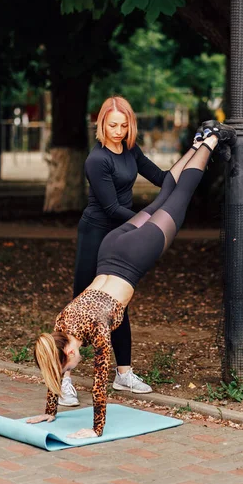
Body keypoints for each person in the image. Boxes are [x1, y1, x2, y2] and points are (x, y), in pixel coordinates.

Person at [27, 120, 237, 438]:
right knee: (164, 194)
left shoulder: (95, 331)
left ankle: (212, 140)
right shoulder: (60, 323)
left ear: (69, 352)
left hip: (134, 255)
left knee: (180, 197)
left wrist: (96, 430)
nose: (75, 365)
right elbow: (54, 362)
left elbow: (100, 385)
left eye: (71, 365)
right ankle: (198, 142)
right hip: (110, 247)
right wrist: (49, 413)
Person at [60, 96, 168, 406]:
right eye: (112, 126)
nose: (118, 131)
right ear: (102, 125)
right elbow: (110, 207)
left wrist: (191, 168)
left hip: (121, 233)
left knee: (118, 302)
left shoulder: (130, 150)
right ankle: (64, 377)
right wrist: (147, 221)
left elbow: (160, 177)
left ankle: (123, 374)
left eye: (123, 125)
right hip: (97, 232)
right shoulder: (97, 160)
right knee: (82, 305)